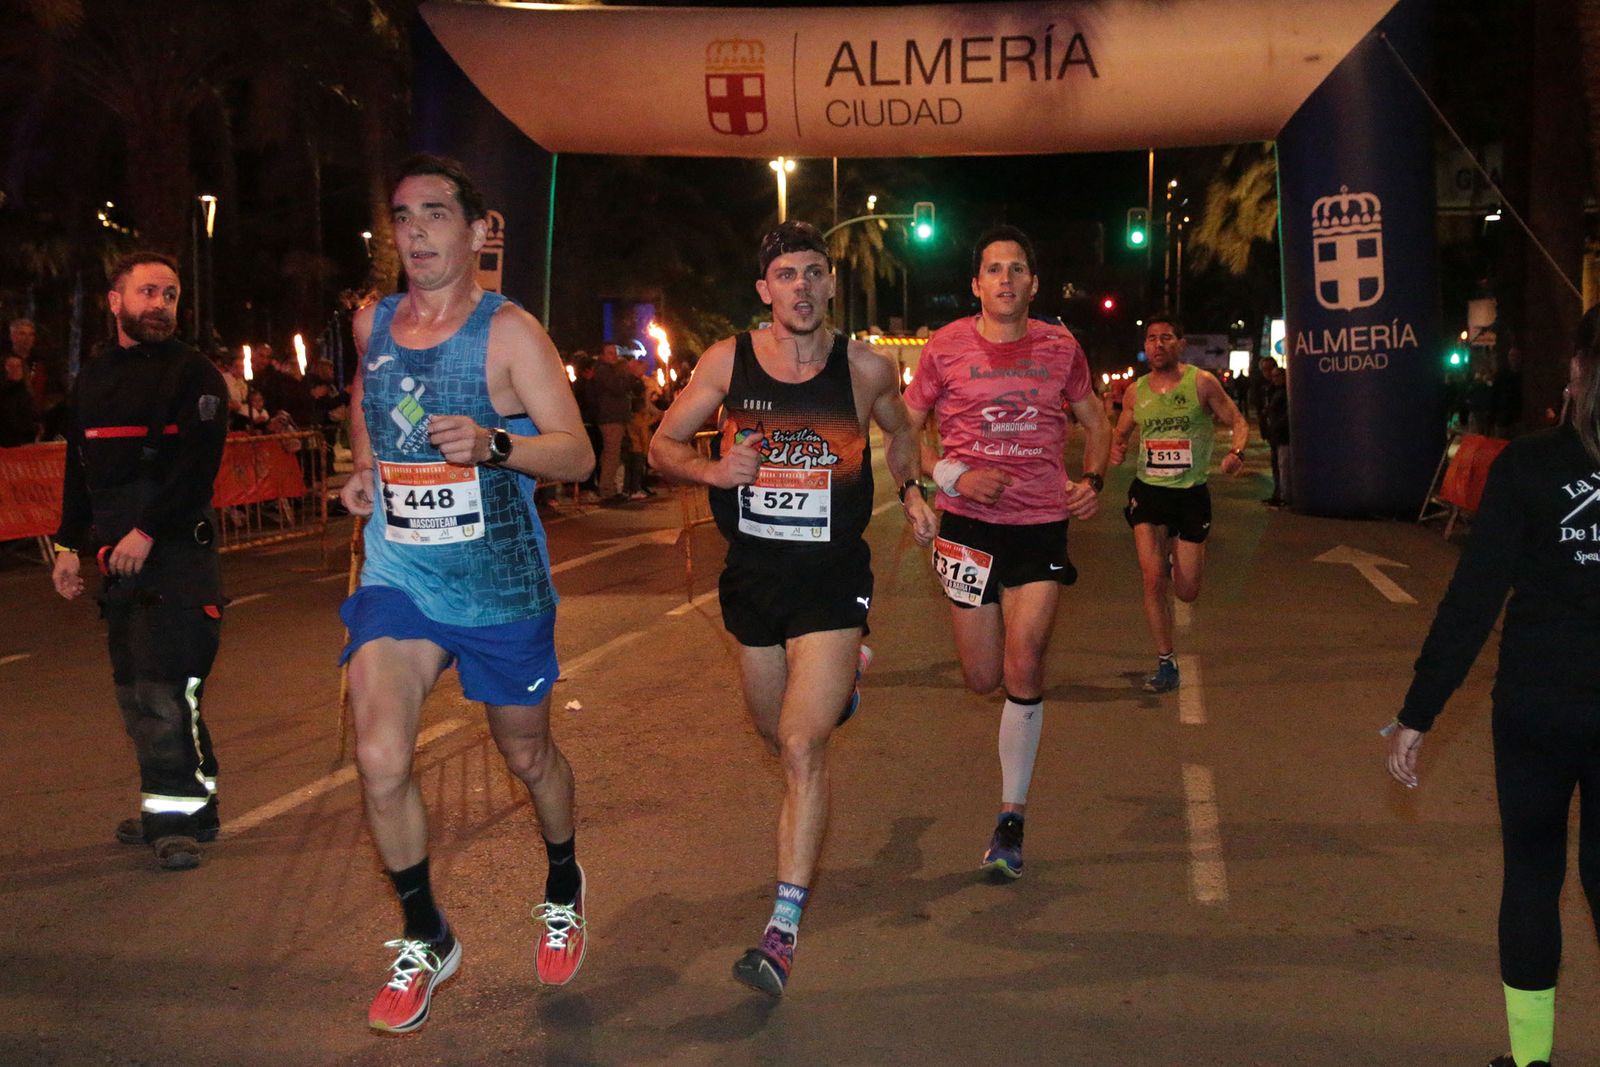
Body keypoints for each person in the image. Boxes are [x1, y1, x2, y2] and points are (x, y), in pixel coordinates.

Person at [338, 154, 595, 1034]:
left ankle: (562, 879)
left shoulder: (511, 333)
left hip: (499, 586)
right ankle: (425, 931)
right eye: (402, 216)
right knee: (379, 756)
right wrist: (363, 471)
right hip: (401, 575)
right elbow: (365, 409)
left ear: (478, 230)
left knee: (528, 760)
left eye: (434, 215)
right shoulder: (373, 321)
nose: (414, 233)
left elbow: (579, 452)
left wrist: (494, 446)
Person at [649, 220, 935, 996]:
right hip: (754, 576)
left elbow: (902, 434)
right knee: (775, 731)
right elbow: (660, 445)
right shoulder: (726, 362)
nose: (801, 287)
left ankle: (780, 932)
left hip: (831, 574)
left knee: (805, 746)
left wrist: (910, 490)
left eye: (814, 272)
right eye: (786, 275)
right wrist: (714, 470)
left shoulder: (867, 368)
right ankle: (841, 681)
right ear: (764, 289)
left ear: (830, 284)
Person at [1386, 306, 1600, 1067]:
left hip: (1538, 706)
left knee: (1533, 877)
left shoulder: (1529, 465)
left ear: (1576, 372)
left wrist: (1419, 712)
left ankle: (1532, 1059)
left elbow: (1474, 600)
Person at [901, 225, 1110, 880]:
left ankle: (1010, 819)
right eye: (993, 269)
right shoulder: (944, 347)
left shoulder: (1060, 345)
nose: (1006, 279)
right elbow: (902, 431)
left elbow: (1097, 422)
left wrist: (1093, 481)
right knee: (983, 678)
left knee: (1025, 663)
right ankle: (1009, 805)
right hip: (966, 529)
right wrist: (941, 481)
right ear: (976, 284)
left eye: (1017, 269)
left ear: (1033, 283)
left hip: (1041, 524)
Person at [50, 252, 230, 871]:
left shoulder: (196, 374)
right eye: (148, 291)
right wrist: (69, 546)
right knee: (138, 693)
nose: (161, 304)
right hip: (117, 558)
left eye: (171, 294)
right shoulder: (95, 375)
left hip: (175, 553)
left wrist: (146, 532)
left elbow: (196, 471)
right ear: (115, 300)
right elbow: (81, 469)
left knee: (163, 690)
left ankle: (170, 821)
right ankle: (190, 809)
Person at [1110, 314, 1249, 693]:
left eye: (1166, 338)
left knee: (1187, 591)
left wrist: (1237, 451)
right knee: (1152, 579)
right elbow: (1121, 430)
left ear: (1180, 343)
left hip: (1190, 494)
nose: (1158, 345)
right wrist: (1118, 448)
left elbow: (1236, 419)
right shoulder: (1137, 391)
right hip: (1149, 492)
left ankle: (1176, 560)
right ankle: (1166, 660)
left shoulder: (1200, 383)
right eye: (1152, 339)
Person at [590, 342, 633, 503]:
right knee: (611, 454)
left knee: (612, 454)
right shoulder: (603, 371)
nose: (614, 356)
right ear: (602, 355)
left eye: (615, 353)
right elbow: (618, 388)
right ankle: (607, 490)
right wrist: (628, 374)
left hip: (614, 417)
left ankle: (610, 487)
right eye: (610, 353)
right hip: (610, 418)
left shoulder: (609, 370)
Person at [0, 353, 39, 445]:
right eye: (10, 366)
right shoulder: (3, 395)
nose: (15, 369)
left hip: (24, 445)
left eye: (18, 366)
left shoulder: (25, 393)